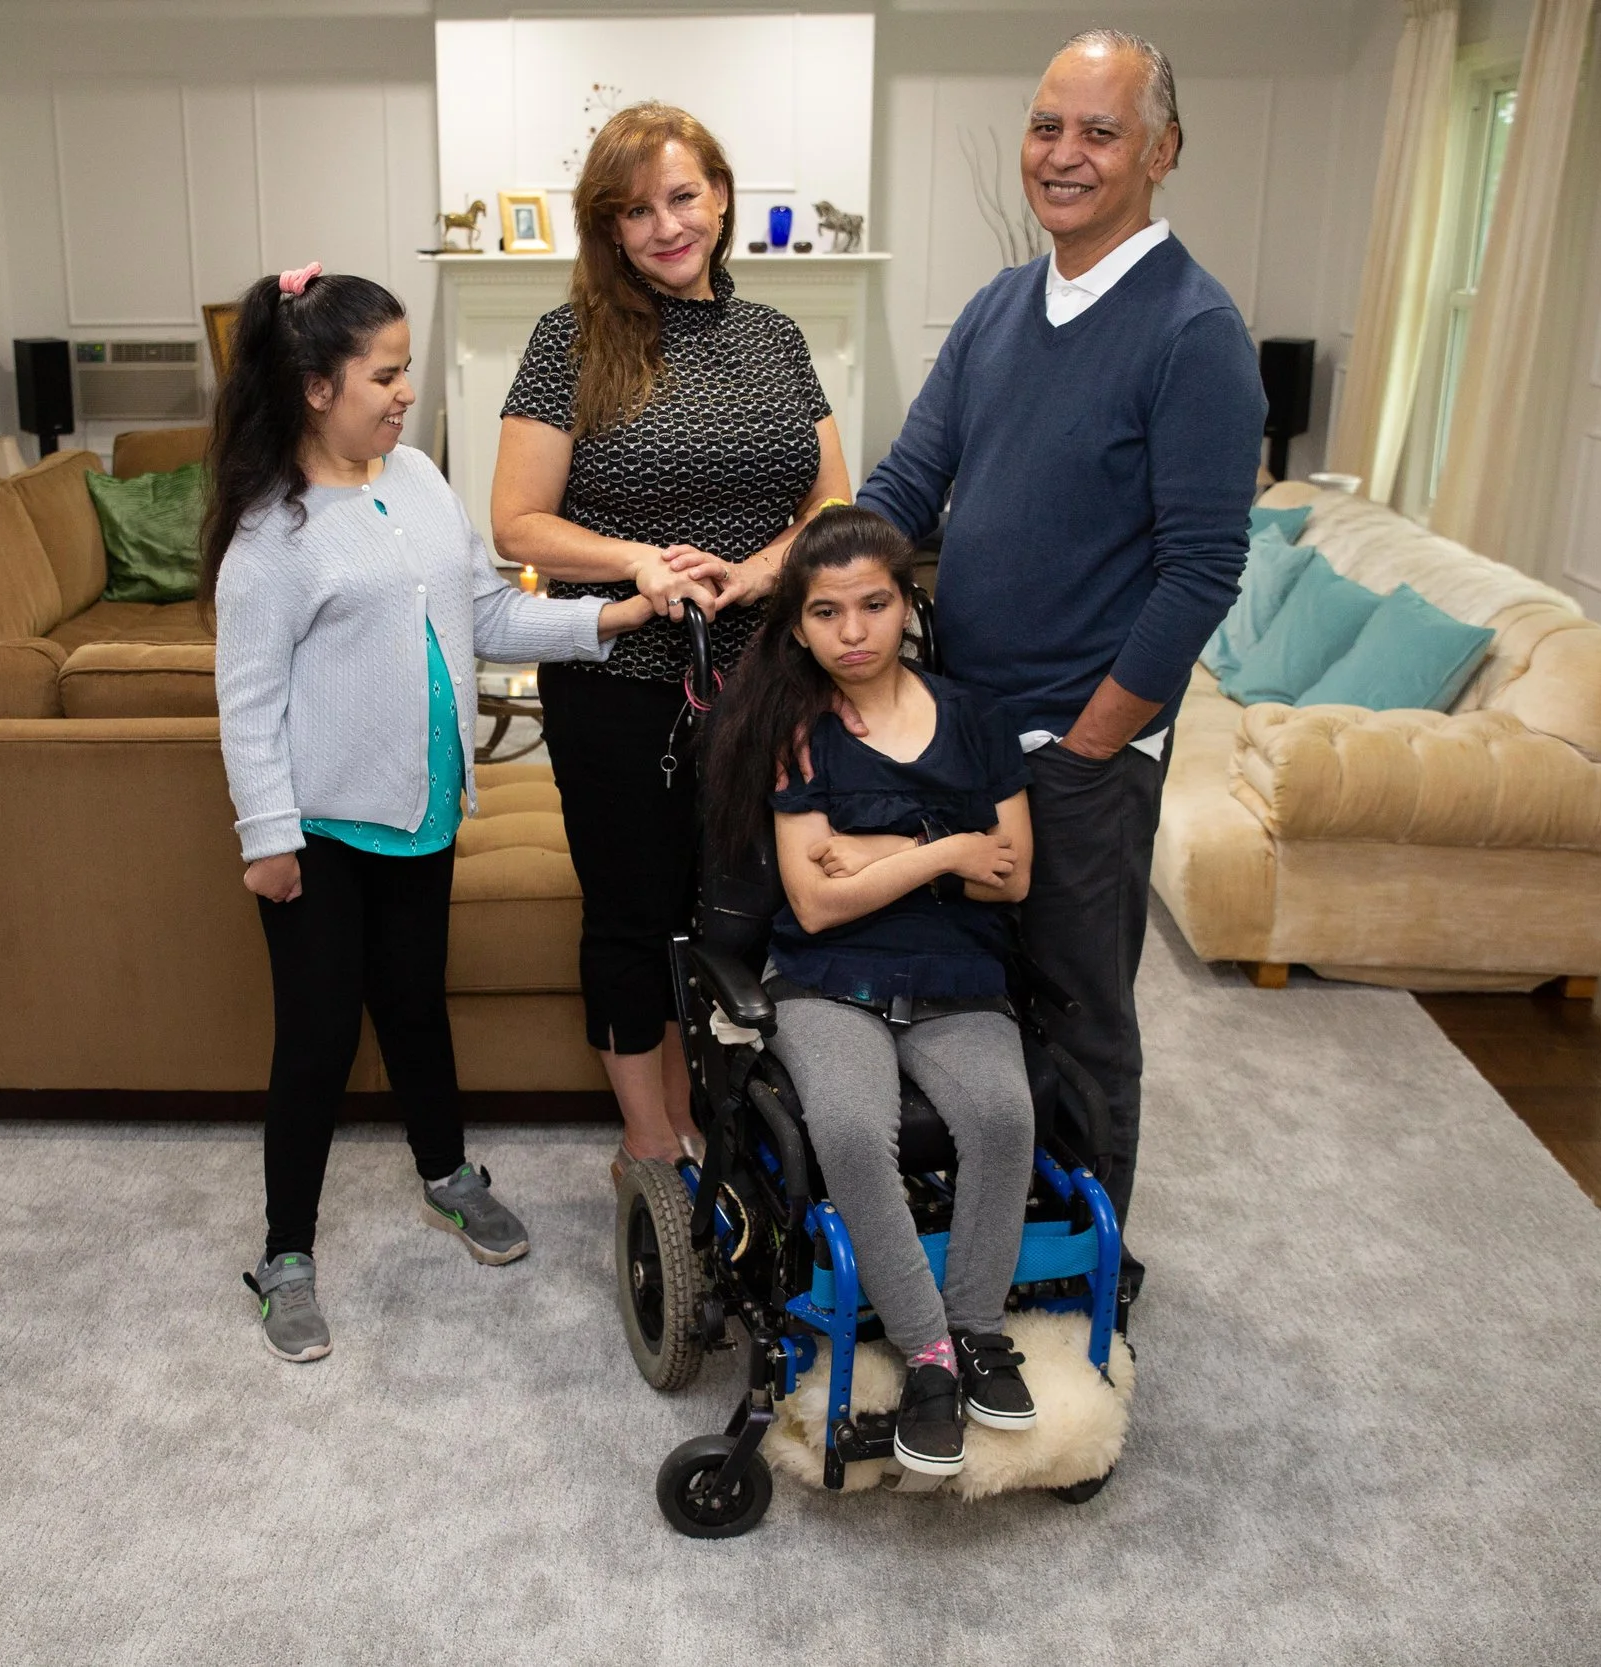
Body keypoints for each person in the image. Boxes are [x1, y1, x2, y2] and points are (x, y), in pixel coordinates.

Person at [212, 264, 691, 1364]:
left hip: (422, 812)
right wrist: (267, 840)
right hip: (322, 831)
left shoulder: (418, 476)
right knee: (321, 1039)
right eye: (383, 374)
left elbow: (483, 611)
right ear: (315, 386)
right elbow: (245, 703)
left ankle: (447, 1176)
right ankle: (286, 1252)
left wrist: (614, 613)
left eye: (403, 368)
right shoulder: (270, 535)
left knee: (417, 1005)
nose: (401, 390)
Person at [854, 31, 1267, 1300]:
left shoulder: (1194, 332)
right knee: (982, 1002)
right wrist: (812, 579)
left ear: (1161, 152)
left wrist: (1093, 737)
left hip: (1079, 752)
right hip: (963, 732)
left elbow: (1201, 569)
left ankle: (1086, 1273)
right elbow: (909, 480)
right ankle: (995, 1231)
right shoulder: (997, 305)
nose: (1065, 155)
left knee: (1082, 1018)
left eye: (1097, 132)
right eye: (1047, 127)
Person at [491, 102, 853, 1177]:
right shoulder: (570, 340)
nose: (663, 225)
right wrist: (641, 562)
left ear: (722, 196)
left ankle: (730, 1104)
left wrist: (758, 571)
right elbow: (517, 521)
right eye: (633, 209)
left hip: (770, 683)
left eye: (681, 197)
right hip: (620, 686)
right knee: (632, 910)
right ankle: (647, 1136)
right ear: (606, 228)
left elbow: (834, 507)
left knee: (749, 901)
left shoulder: (776, 339)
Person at [702, 507, 1040, 1479]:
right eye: (824, 611)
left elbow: (1010, 875)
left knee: (1004, 1116)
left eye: (873, 604)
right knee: (850, 1131)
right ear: (797, 625)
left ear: (906, 603)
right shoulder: (793, 731)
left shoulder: (972, 717)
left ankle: (977, 1331)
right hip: (825, 980)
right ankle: (929, 1356)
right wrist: (942, 847)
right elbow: (815, 896)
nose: (852, 631)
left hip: (958, 974)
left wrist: (879, 854)